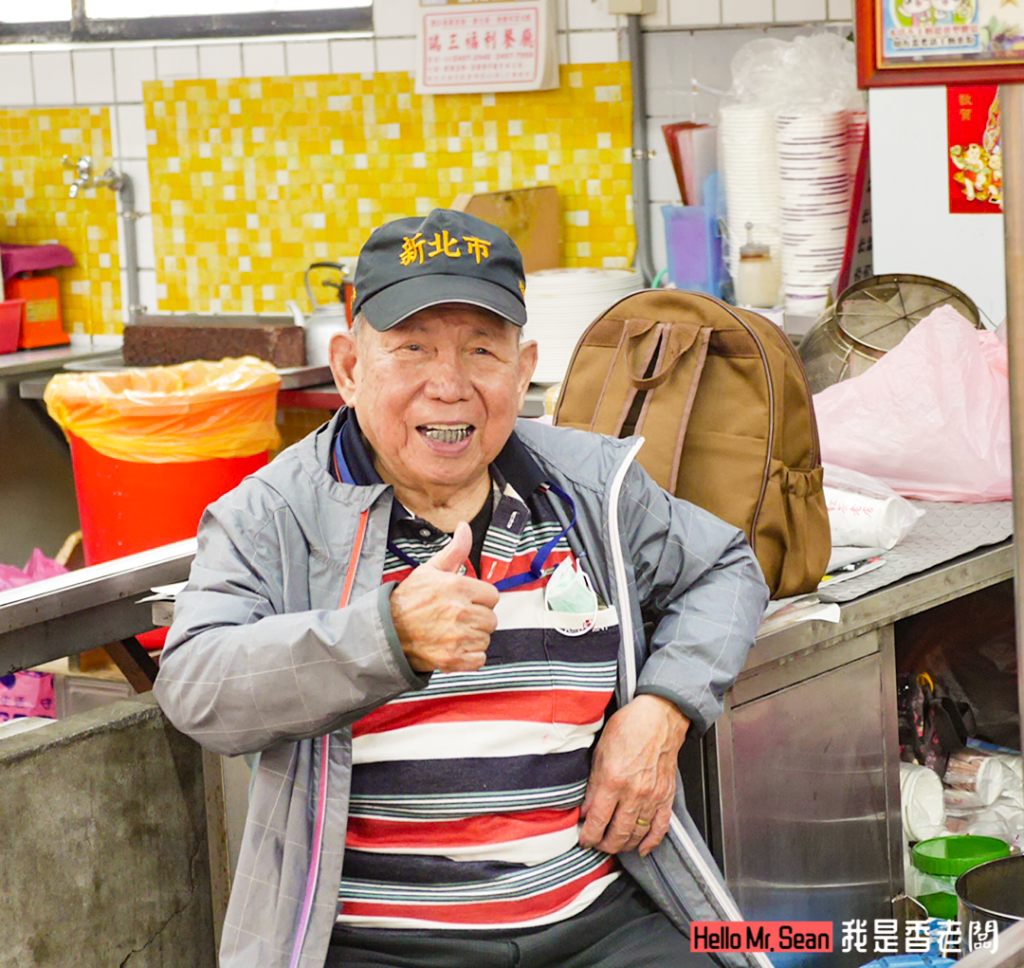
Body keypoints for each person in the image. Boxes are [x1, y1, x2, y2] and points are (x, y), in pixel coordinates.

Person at [154, 208, 769, 968]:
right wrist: (386, 639)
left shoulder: (586, 484)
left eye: (482, 350)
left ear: (523, 367)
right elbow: (193, 685)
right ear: (349, 367)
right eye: (411, 349)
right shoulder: (275, 512)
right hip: (381, 942)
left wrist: (663, 709)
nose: (448, 386)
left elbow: (725, 568)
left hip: (598, 919)